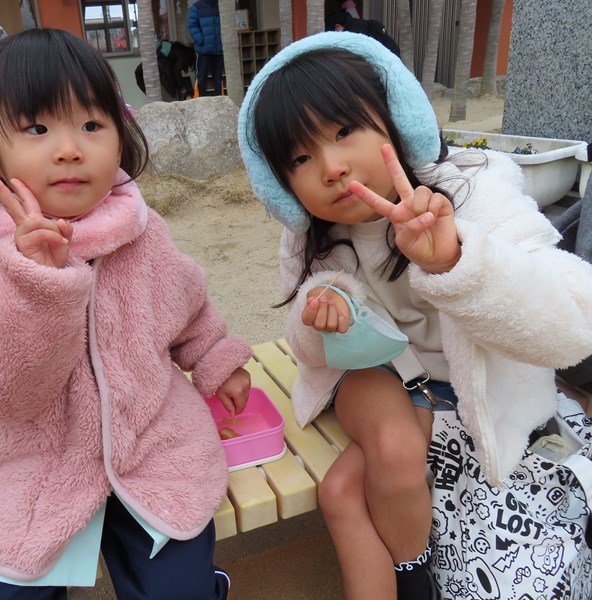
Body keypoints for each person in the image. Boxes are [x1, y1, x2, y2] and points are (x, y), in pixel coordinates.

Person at [237, 32, 592, 599]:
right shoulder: (309, 236)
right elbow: (306, 346)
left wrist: (458, 261)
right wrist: (322, 309)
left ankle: (411, 576)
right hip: (385, 379)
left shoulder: (474, 191)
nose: (331, 167)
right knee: (375, 467)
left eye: (344, 131)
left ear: (397, 119)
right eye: (300, 158)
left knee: (342, 492)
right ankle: (415, 578)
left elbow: (576, 325)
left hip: (481, 391)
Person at [0, 28, 252, 598]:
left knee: (181, 590)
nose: (70, 149)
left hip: (152, 444)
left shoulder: (141, 233)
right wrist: (32, 284)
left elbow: (186, 305)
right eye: (37, 128)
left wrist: (216, 358)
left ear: (120, 139)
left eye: (92, 125)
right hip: (35, 467)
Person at [188, 0, 224, 96]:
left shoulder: (220, 5)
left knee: (218, 79)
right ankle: (200, 101)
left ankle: (219, 101)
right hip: (203, 52)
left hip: (218, 51)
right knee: (201, 78)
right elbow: (192, 26)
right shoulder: (196, 7)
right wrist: (201, 40)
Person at [325, 10, 401, 56]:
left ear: (338, 27)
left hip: (389, 58)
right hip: (391, 53)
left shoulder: (355, 33)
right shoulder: (355, 24)